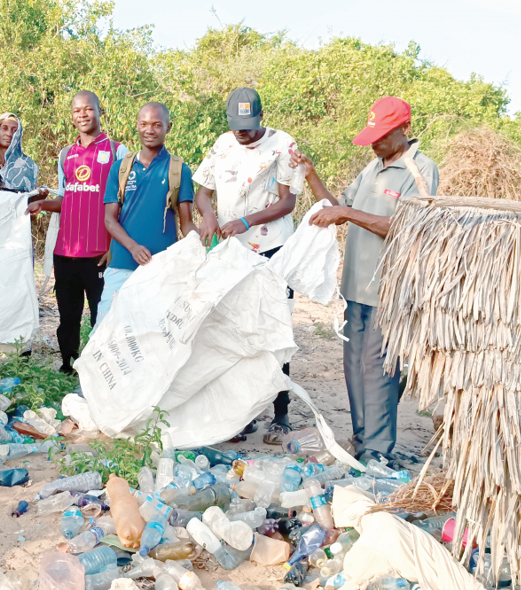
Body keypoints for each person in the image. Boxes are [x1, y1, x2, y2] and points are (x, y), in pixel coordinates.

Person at [291, 96, 439, 465]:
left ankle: (378, 450)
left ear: (404, 130)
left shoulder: (420, 170)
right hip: (355, 288)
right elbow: (335, 210)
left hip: (388, 291)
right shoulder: (372, 169)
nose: (375, 143)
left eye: (382, 135)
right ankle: (362, 440)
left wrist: (347, 212)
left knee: (380, 372)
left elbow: (406, 225)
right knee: (355, 368)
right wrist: (311, 175)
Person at [194, 87, 304, 445]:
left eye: (248, 124)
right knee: (237, 330)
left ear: (261, 116)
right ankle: (244, 415)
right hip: (231, 253)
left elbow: (288, 202)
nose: (242, 131)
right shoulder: (223, 144)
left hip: (271, 249)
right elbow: (202, 191)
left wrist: (247, 221)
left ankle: (281, 413)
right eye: (236, 124)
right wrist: (208, 216)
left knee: (273, 329)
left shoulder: (283, 145)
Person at [27, 91, 128, 374]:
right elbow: (64, 198)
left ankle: (101, 367)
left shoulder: (118, 151)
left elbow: (125, 204)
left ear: (99, 111)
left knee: (102, 314)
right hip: (66, 252)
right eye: (77, 111)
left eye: (88, 109)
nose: (82, 114)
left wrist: (115, 247)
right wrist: (42, 204)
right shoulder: (65, 155)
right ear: (72, 117)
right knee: (67, 315)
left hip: (100, 253)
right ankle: (67, 364)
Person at [97, 102, 195, 322]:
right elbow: (109, 220)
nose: (149, 130)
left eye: (157, 125)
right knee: (105, 328)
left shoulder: (179, 170)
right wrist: (133, 247)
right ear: (137, 125)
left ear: (169, 127)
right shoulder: (121, 168)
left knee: (152, 332)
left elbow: (186, 223)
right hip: (121, 263)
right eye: (144, 124)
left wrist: (200, 246)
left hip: (161, 269)